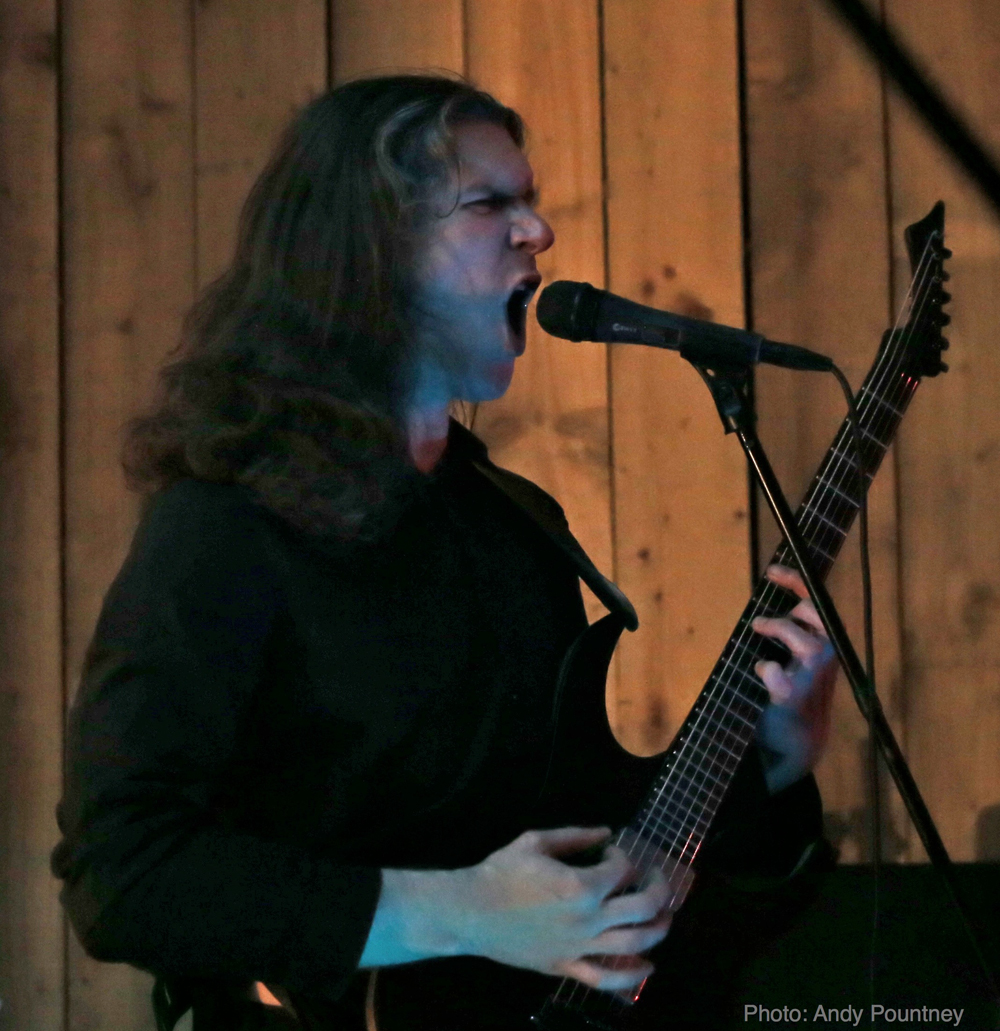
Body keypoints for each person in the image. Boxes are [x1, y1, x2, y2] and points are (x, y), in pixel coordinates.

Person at [52, 74, 837, 1030]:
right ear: (369, 251)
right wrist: (454, 910)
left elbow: (596, 866)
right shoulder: (225, 528)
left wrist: (776, 755)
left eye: (531, 200)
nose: (539, 231)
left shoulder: (511, 527)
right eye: (491, 203)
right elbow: (122, 870)